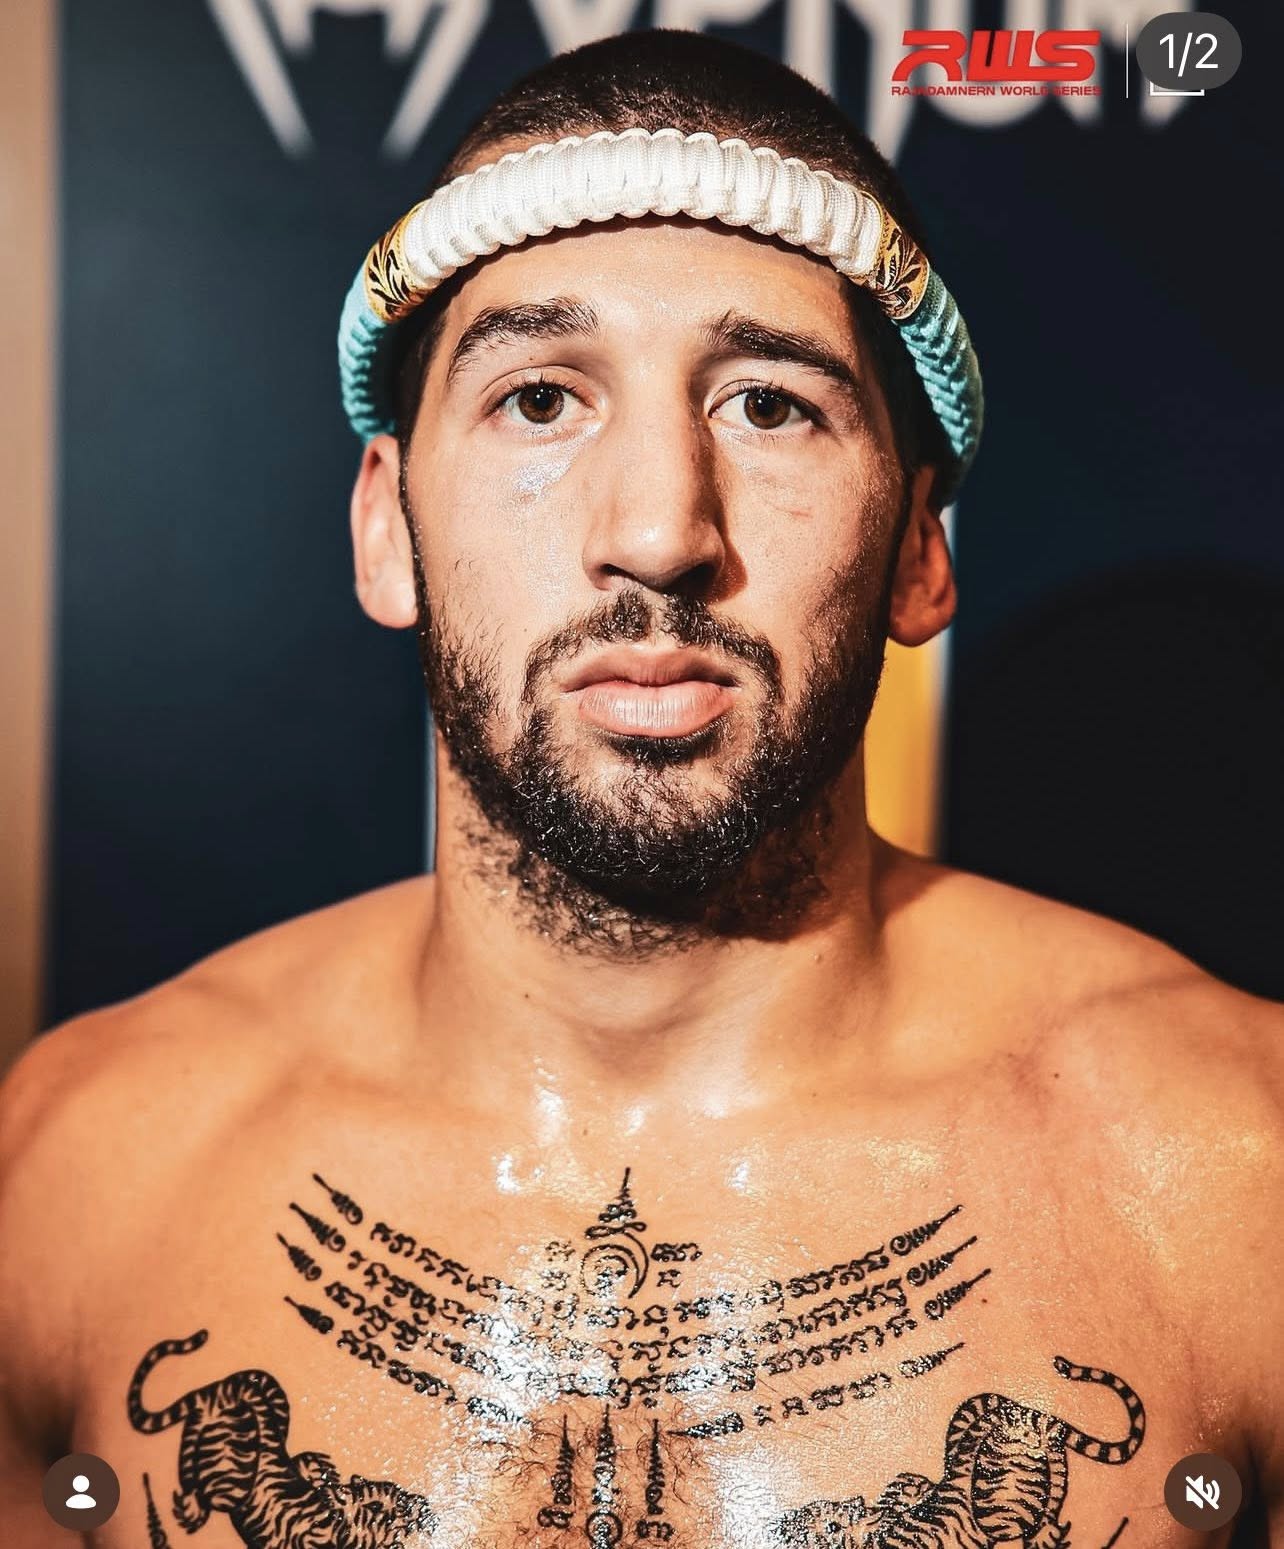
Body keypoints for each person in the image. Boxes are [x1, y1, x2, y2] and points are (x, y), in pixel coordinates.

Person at [0, 29, 1280, 1549]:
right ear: (387, 530)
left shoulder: (1231, 1176)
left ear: (918, 549)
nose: (662, 530)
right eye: (542, 399)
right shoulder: (80, 1173)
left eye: (771, 404)